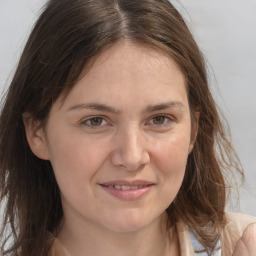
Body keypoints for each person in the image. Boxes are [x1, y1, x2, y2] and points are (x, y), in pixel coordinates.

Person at [0, 0, 255, 256]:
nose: (132, 157)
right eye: (95, 121)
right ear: (36, 133)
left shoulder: (244, 243)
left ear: (194, 129)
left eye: (159, 119)